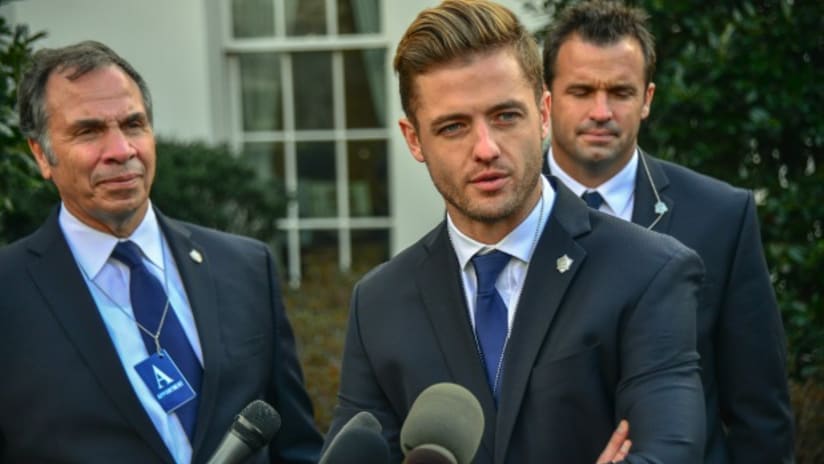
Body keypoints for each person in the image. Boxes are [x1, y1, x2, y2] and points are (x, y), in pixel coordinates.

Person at [324, 1, 706, 462]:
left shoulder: (649, 272)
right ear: (413, 140)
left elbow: (670, 452)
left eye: (505, 116)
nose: (485, 149)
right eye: (453, 127)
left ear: (543, 113)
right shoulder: (379, 303)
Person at [0, 41, 322, 463]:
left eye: (133, 124)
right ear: (42, 154)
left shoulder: (245, 268)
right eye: (89, 131)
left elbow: (295, 446)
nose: (121, 151)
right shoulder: (9, 294)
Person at [540, 1, 794, 462]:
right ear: (547, 100)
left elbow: (760, 413)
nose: (601, 111)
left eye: (620, 91)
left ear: (648, 99)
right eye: (581, 91)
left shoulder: (721, 217)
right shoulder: (501, 210)